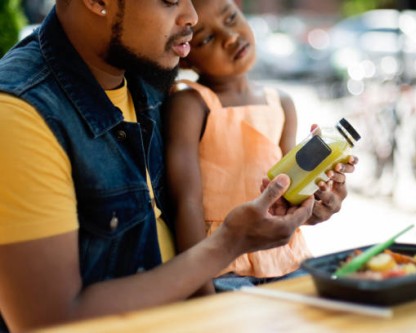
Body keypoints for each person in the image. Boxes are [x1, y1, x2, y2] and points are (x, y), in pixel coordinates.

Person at [0, 1, 355, 332]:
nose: (192, 16)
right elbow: (49, 321)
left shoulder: (149, 75)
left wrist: (301, 205)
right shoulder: (18, 115)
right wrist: (228, 244)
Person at [164, 0, 357, 295]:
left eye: (231, 18)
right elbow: (185, 204)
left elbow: (290, 196)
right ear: (187, 56)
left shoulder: (280, 102)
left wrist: (318, 205)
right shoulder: (191, 103)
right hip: (223, 270)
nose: (231, 37)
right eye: (207, 38)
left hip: (289, 259)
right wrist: (201, 291)